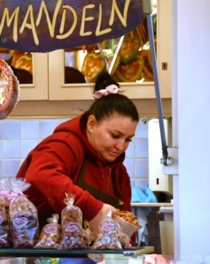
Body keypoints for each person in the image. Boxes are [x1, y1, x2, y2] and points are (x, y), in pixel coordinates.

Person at [17, 73, 138, 234]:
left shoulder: (119, 174)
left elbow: (126, 228)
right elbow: (39, 175)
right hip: (40, 254)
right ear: (92, 124)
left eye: (128, 139)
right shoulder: (66, 144)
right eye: (115, 136)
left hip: (93, 259)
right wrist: (94, 209)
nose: (121, 146)